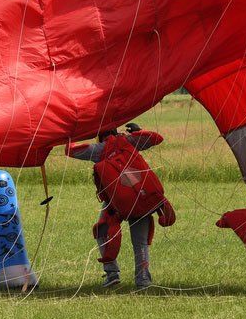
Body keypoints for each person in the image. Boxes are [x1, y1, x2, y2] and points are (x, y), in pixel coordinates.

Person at [67, 123, 175, 290]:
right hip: (142, 197)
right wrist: (139, 131)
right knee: (140, 243)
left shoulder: (99, 149)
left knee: (102, 232)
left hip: (116, 203)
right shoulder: (130, 141)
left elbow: (70, 150)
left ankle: (112, 273)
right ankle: (143, 281)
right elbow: (156, 138)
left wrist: (76, 133)